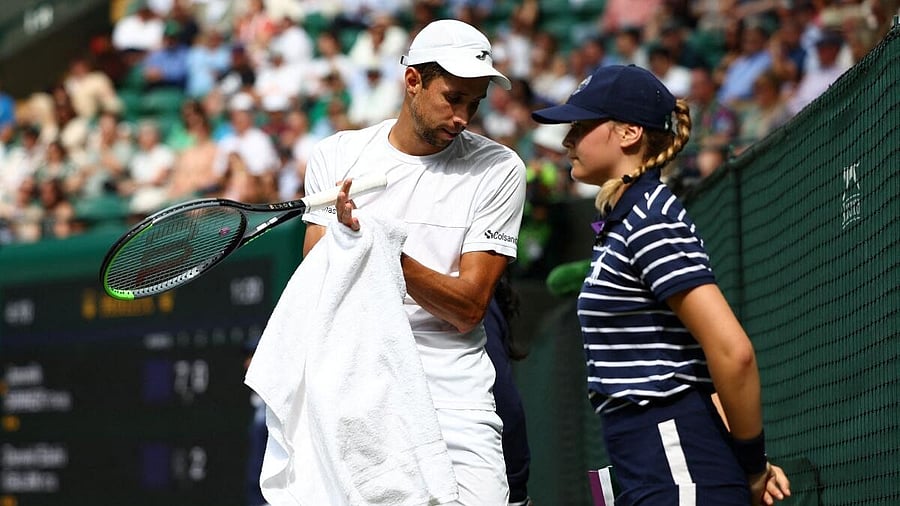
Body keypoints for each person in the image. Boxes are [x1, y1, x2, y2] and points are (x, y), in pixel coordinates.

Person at [531, 64, 791, 505]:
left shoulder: (649, 218)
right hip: (650, 457)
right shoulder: (628, 217)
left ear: (629, 132)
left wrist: (752, 465)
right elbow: (689, 358)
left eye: (581, 125)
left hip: (674, 456)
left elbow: (733, 352)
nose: (568, 140)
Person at [301, 19, 527, 505]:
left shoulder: (501, 169)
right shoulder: (335, 154)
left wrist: (375, 246)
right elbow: (319, 288)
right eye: (453, 97)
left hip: (455, 391)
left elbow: (468, 308)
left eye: (474, 102)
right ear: (413, 81)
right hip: (357, 379)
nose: (464, 116)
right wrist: (347, 244)